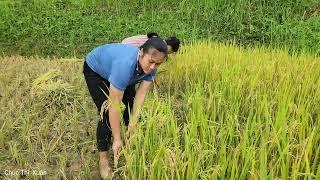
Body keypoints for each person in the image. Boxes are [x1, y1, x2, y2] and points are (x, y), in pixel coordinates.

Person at [83, 37, 168, 179]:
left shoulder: (151, 68)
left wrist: (133, 124)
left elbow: (140, 96)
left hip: (121, 70)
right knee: (106, 114)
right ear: (141, 52)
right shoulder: (124, 66)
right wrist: (117, 139)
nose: (153, 67)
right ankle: (103, 159)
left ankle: (129, 137)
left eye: (158, 64)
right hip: (95, 69)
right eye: (151, 62)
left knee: (131, 104)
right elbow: (114, 106)